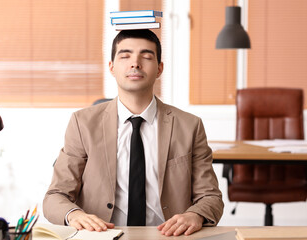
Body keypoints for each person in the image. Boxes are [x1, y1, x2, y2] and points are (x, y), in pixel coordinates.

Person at [43, 29, 223, 236]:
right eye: (125, 56)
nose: (135, 63)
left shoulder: (190, 125)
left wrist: (196, 215)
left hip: (168, 235)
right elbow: (55, 195)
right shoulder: (82, 123)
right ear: (111, 67)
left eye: (146, 57)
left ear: (159, 69)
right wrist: (74, 214)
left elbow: (211, 197)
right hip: (103, 235)